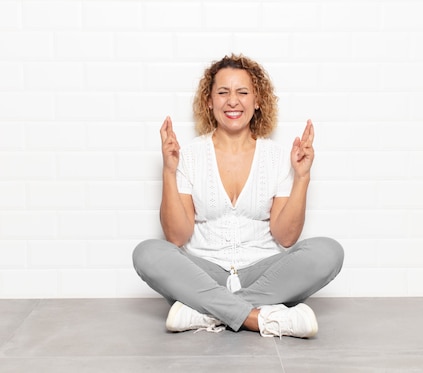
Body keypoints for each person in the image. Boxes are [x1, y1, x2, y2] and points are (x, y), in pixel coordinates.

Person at [133, 54, 344, 338]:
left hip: (263, 272)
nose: (233, 101)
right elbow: (177, 237)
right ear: (209, 101)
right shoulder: (189, 156)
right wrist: (169, 172)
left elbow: (285, 237)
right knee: (147, 253)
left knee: (328, 252)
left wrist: (302, 176)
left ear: (257, 101)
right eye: (223, 92)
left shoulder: (277, 158)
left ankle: (206, 312)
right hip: (205, 272)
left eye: (243, 92)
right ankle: (262, 318)